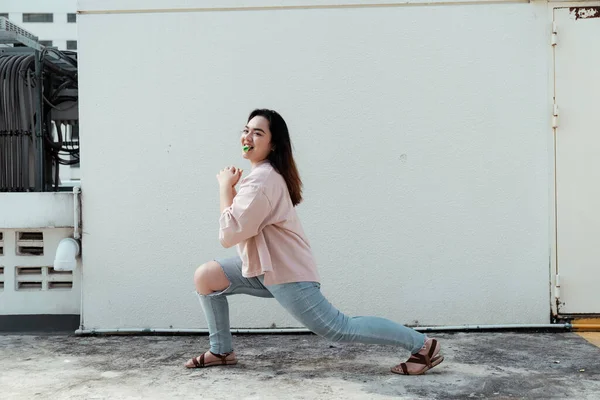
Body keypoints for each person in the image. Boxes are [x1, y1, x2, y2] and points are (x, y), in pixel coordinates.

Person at [185, 109, 443, 375]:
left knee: (340, 328)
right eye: (246, 129)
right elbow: (242, 223)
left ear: (273, 144)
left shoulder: (262, 181)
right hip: (262, 266)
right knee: (207, 277)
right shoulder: (262, 176)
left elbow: (229, 233)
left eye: (258, 132)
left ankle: (423, 345)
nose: (248, 136)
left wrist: (225, 187)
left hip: (286, 274)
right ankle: (221, 351)